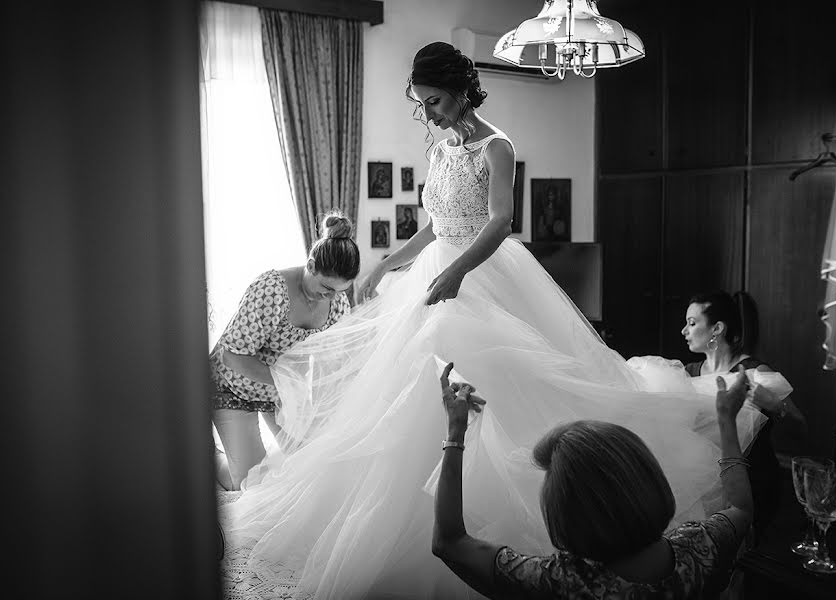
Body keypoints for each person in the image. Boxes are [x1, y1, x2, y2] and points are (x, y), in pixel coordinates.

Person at [220, 42, 765, 599]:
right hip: (437, 271)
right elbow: (436, 225)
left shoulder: (496, 145)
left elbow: (501, 221)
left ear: (459, 92)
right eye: (421, 104)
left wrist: (456, 274)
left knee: (502, 388)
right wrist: (388, 261)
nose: (428, 114)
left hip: (483, 275)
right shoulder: (440, 151)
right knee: (403, 401)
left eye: (433, 101)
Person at [432, 362, 752, 599]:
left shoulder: (558, 583)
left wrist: (456, 433)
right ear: (648, 476)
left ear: (564, 517)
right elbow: (740, 507)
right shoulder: (699, 550)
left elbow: (449, 543)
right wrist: (726, 421)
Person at [209, 212, 358, 490]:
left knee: (311, 463)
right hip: (231, 385)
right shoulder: (271, 290)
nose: (331, 298)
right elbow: (232, 356)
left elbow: (334, 358)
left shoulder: (336, 304)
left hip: (279, 393)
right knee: (249, 483)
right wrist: (289, 384)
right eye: (326, 288)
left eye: (339, 291)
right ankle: (212, 459)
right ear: (311, 265)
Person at [681, 290, 806, 539]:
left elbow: (800, 429)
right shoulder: (688, 373)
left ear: (717, 328)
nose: (684, 331)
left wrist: (774, 405)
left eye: (692, 323)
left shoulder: (755, 371)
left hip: (753, 481)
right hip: (705, 486)